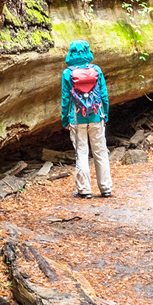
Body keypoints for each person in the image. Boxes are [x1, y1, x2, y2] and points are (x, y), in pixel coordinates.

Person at [60, 40, 112, 198]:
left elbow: (65, 99)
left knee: (81, 153)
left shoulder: (67, 73)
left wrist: (64, 120)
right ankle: (105, 188)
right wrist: (106, 113)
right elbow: (103, 95)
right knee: (101, 152)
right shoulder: (96, 70)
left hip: (77, 119)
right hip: (97, 117)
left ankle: (84, 190)